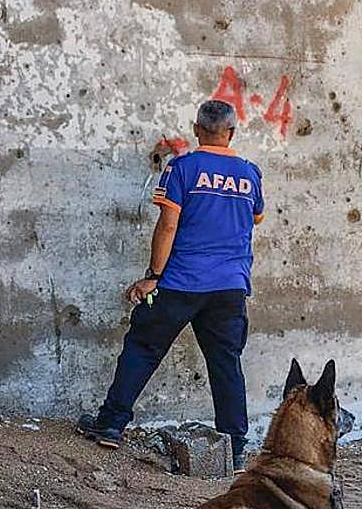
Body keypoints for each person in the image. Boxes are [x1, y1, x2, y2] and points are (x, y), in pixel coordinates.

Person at [77, 99, 265, 472]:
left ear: (197, 129)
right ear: (231, 133)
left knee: (143, 348)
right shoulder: (250, 173)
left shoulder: (182, 168)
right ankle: (236, 447)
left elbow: (167, 225)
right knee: (226, 363)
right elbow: (256, 217)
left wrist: (153, 276)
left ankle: (111, 425)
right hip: (230, 285)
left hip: (181, 280)